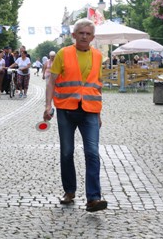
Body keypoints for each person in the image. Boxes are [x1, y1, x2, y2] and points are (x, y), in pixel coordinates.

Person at [44, 18, 107, 212]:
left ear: (93, 37)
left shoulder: (98, 56)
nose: (84, 37)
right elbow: (51, 81)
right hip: (66, 109)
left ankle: (93, 198)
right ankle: (69, 191)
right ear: (74, 35)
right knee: (66, 152)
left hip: (90, 111)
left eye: (88, 34)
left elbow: (97, 86)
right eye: (81, 33)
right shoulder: (64, 53)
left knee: (92, 153)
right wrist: (48, 105)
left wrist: (98, 114)